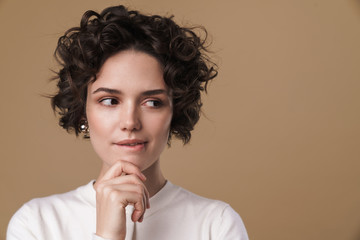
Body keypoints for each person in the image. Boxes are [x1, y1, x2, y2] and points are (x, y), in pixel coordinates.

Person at [7, 5, 248, 240]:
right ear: (83, 111)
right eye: (110, 100)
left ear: (175, 112)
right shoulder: (37, 224)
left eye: (152, 102)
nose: (130, 122)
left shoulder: (216, 225)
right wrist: (107, 235)